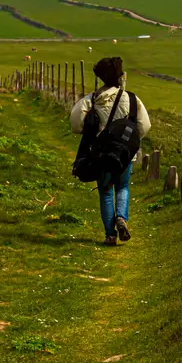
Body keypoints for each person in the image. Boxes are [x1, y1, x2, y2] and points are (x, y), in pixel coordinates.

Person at [70, 57, 151, 246]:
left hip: (101, 154)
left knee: (106, 191)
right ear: (120, 76)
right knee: (123, 187)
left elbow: (75, 124)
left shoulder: (92, 100)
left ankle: (110, 235)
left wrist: (91, 131)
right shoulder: (132, 99)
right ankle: (121, 217)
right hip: (124, 155)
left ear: (100, 76)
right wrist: (129, 142)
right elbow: (144, 126)